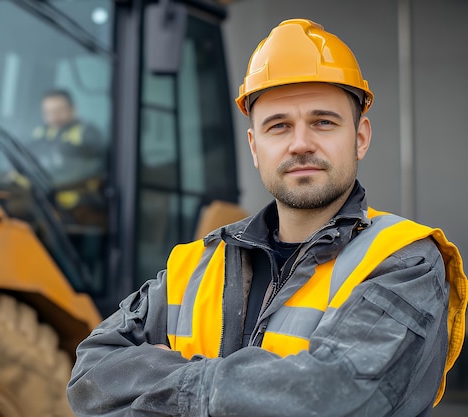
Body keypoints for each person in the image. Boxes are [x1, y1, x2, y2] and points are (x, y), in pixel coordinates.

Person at [67, 18, 467, 417]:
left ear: (360, 137)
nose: (300, 144)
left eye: (323, 122)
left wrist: (164, 381)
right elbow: (90, 376)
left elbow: (329, 399)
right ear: (255, 147)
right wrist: (246, 391)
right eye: (279, 127)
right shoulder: (194, 265)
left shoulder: (403, 260)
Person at [28, 89, 107, 227]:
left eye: (59, 111)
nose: (54, 117)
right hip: (45, 202)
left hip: (78, 206)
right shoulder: (39, 134)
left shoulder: (86, 133)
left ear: (73, 110)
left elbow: (93, 168)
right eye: (49, 113)